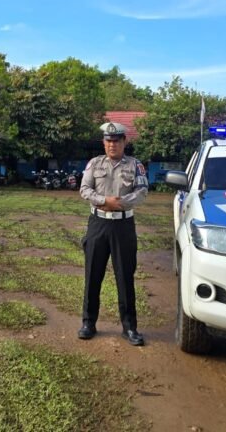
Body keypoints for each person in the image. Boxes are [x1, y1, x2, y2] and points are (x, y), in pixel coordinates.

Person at [78, 122, 149, 346]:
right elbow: (84, 189)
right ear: (104, 143)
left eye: (116, 141)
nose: (112, 145)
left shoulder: (135, 165)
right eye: (108, 141)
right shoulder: (94, 164)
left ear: (124, 142)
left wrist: (119, 203)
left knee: (125, 277)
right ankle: (88, 323)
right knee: (92, 275)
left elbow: (142, 190)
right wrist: (103, 201)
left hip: (123, 226)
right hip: (98, 224)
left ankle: (129, 328)